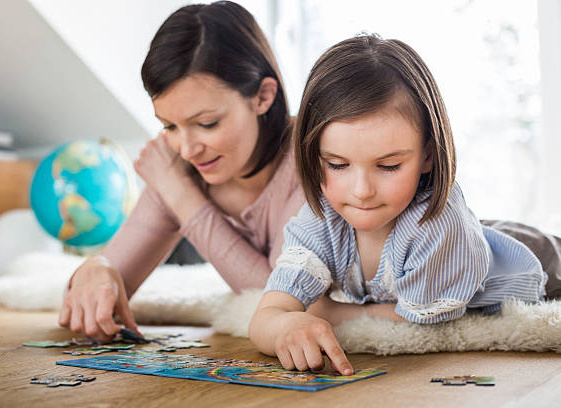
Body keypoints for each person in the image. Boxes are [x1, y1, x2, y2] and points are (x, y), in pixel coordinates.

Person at [248, 34, 561, 376]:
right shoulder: (320, 220)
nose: (362, 190)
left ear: (428, 153)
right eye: (337, 164)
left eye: (388, 166)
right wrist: (284, 325)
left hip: (532, 258)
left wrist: (331, 312)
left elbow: (421, 324)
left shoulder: (437, 227)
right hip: (477, 234)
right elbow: (267, 314)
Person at [59, 1, 304, 343]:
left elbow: (281, 299)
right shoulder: (179, 168)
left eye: (207, 123)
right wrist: (96, 271)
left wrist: (183, 197)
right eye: (169, 126)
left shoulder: (314, 156)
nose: (187, 149)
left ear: (262, 97)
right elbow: (102, 294)